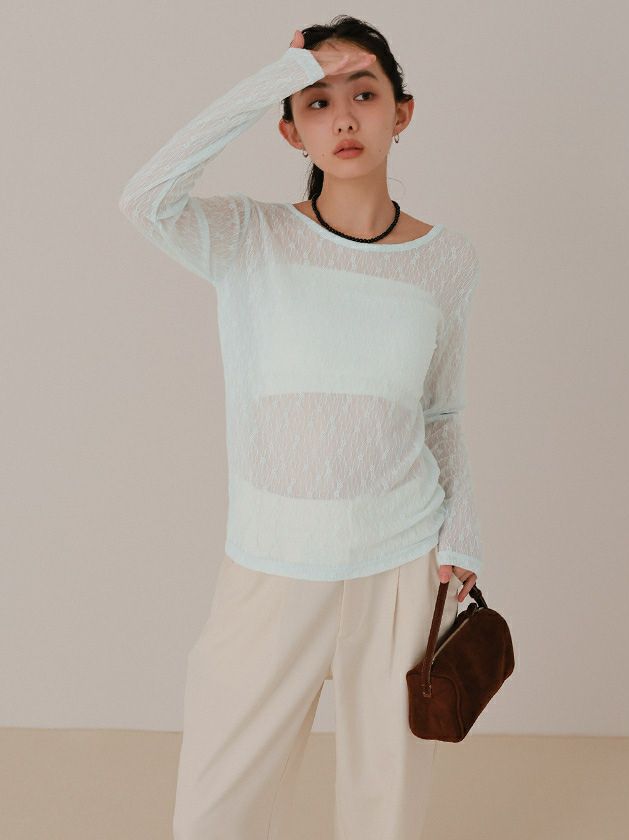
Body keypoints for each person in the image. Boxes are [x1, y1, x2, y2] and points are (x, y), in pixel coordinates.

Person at [118, 14, 484, 840]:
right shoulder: (250, 237)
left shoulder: (448, 259)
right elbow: (144, 198)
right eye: (317, 102)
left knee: (385, 808)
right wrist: (274, 76)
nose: (343, 117)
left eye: (365, 94)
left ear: (402, 113)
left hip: (402, 561)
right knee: (216, 810)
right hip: (273, 559)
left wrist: (464, 534)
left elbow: (441, 411)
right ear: (290, 130)